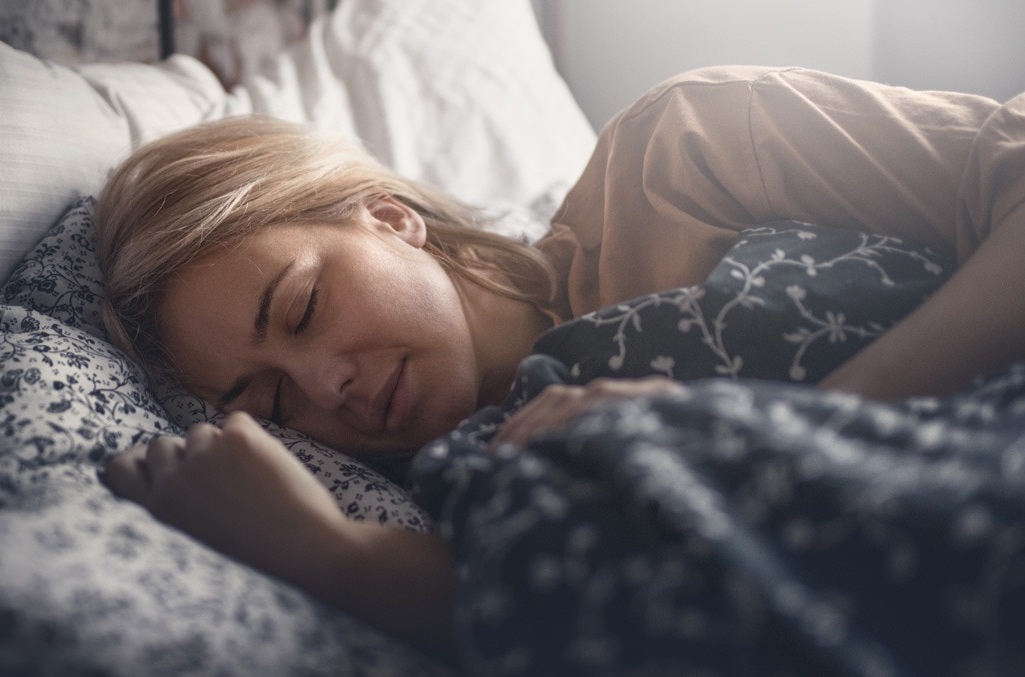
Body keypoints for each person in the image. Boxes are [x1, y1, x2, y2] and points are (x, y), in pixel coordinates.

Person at [95, 66, 1025, 661]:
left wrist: (793, 422)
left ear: (386, 217)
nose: (325, 386)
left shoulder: (678, 151)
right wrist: (318, 548)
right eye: (272, 400)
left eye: (302, 308)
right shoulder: (476, 480)